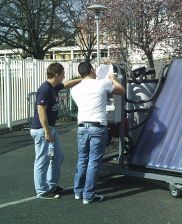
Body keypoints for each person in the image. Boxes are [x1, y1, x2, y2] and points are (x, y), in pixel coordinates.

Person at [71, 61, 125, 204]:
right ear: (90, 70)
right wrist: (113, 79)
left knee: (82, 159)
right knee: (94, 161)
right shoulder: (101, 83)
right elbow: (121, 90)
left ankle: (78, 191)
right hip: (97, 127)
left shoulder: (74, 89)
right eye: (93, 68)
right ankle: (88, 195)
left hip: (82, 127)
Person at [30, 62, 82, 199]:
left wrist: (83, 79)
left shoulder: (54, 87)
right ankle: (42, 191)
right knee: (42, 160)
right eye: (63, 74)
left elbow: (67, 85)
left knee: (58, 156)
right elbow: (41, 111)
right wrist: (47, 131)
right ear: (57, 74)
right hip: (42, 129)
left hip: (49, 129)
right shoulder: (45, 89)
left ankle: (51, 185)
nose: (64, 76)